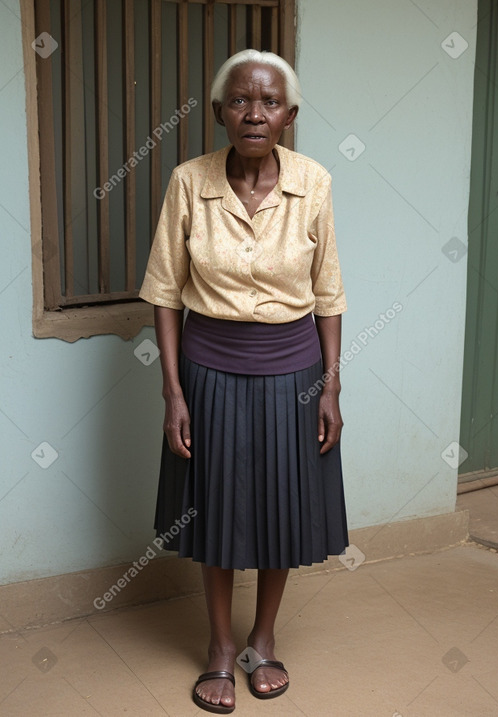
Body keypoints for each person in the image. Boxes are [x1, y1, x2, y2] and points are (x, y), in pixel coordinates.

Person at [139, 48, 349, 714]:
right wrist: (173, 391)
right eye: (239, 100)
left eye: (267, 102)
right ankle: (221, 648)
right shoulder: (187, 182)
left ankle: (264, 636)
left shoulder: (314, 182)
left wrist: (332, 386)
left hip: (294, 370)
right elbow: (166, 294)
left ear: (288, 115)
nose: (252, 112)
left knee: (282, 509)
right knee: (220, 512)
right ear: (219, 111)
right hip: (209, 372)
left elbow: (329, 293)